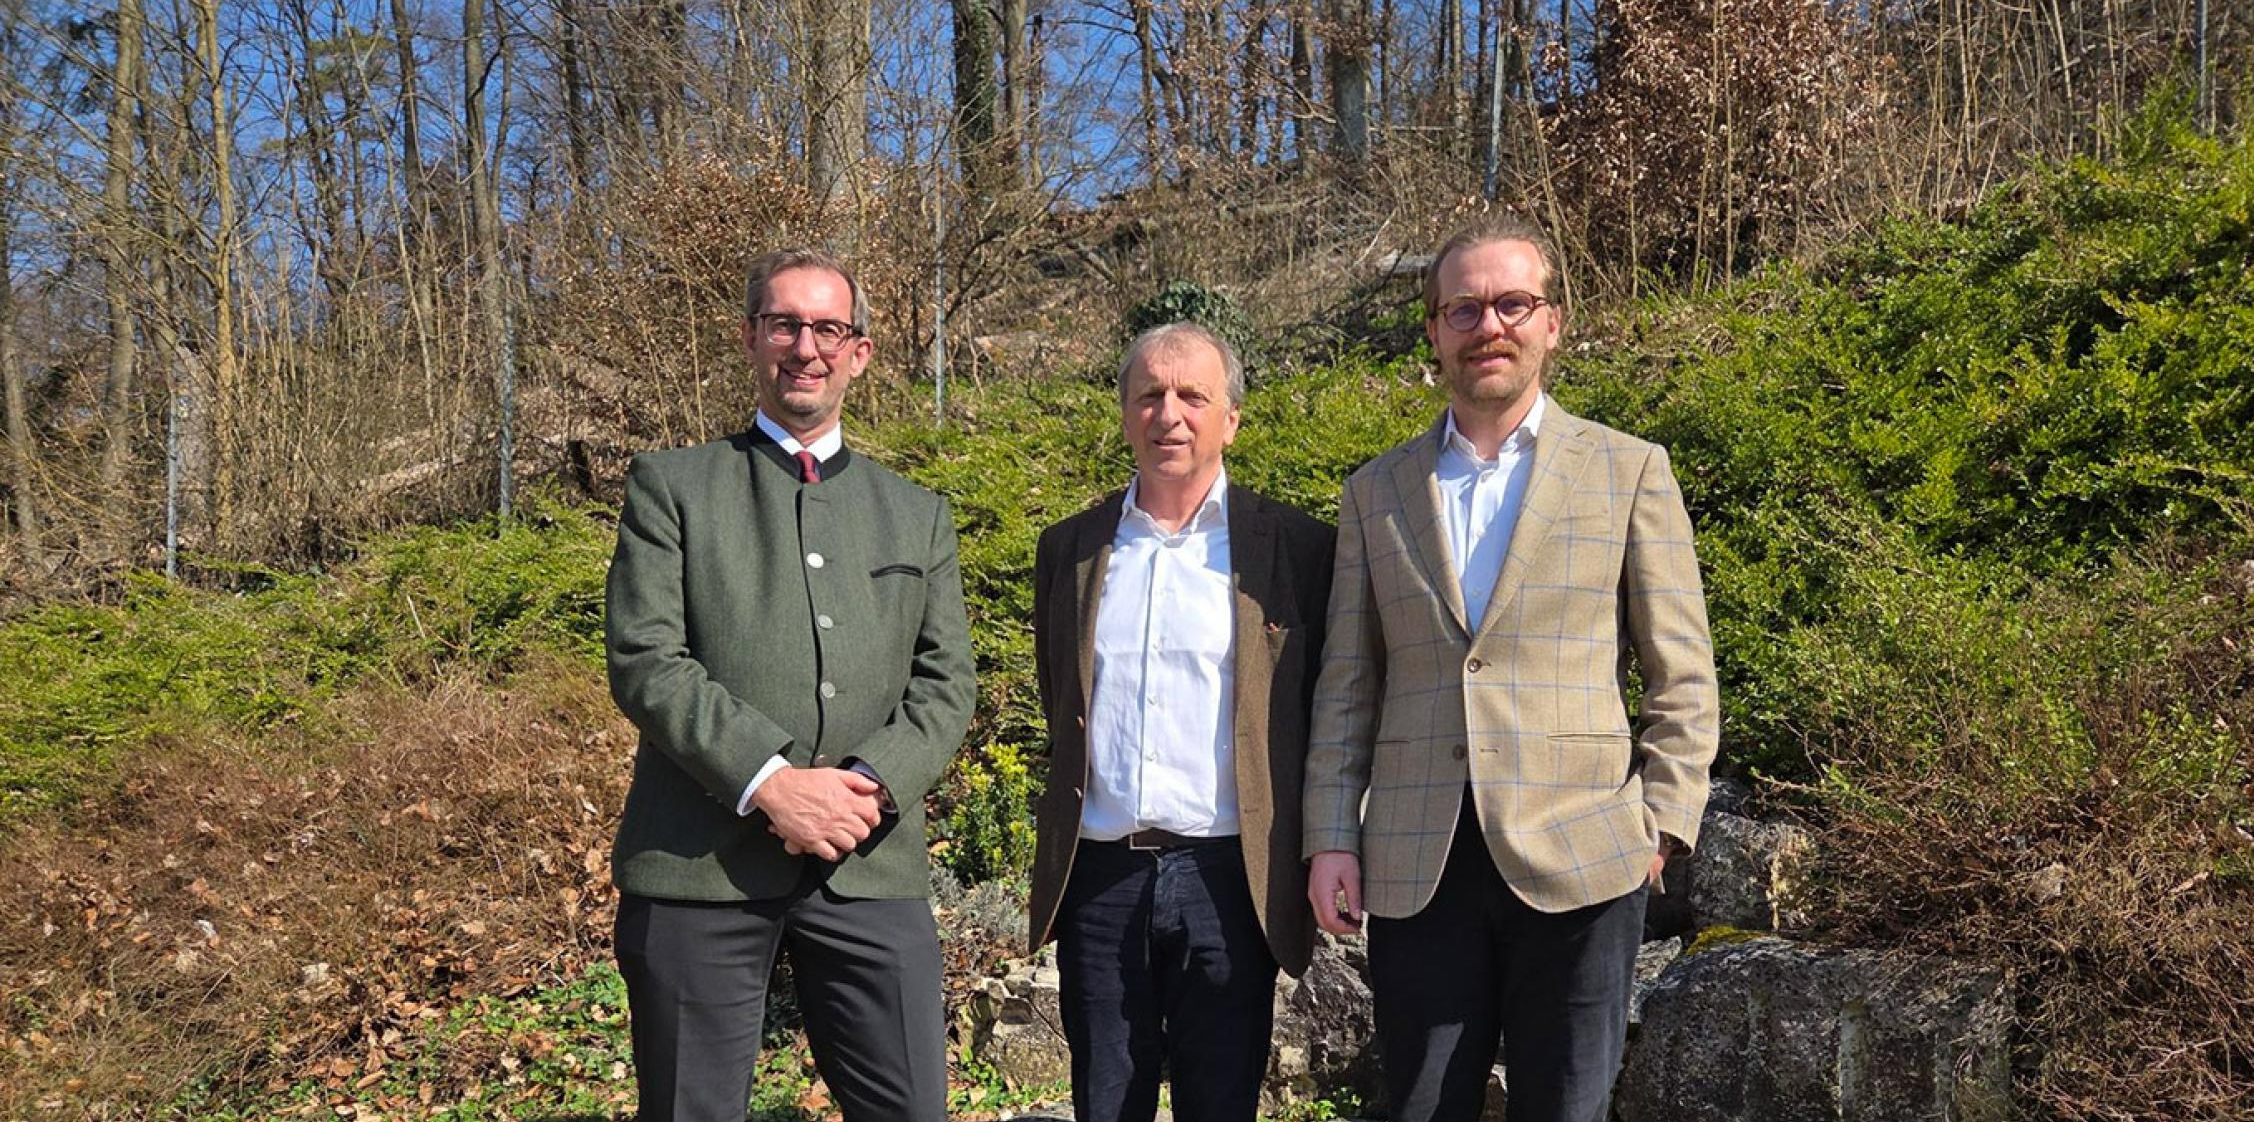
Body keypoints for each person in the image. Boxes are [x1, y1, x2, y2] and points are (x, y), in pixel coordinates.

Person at [1301, 215, 1719, 1122]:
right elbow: (1347, 685)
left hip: (1585, 854)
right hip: (1419, 860)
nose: (1489, 325)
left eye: (1512, 303)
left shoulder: (1629, 471)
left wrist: (1663, 823)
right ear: (1434, 333)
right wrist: (1331, 833)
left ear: (1553, 322)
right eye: (1464, 309)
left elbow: (1680, 670)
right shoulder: (1375, 493)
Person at [603, 247, 976, 1122]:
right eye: (785, 324)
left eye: (828, 328)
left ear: (860, 352)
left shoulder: (917, 513)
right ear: (750, 338)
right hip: (699, 867)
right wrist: (771, 783)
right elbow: (646, 659)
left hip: (869, 863)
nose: (805, 347)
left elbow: (946, 681)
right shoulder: (673, 487)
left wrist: (868, 788)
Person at [1028, 323, 1335, 1122]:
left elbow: (1326, 707)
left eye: (1193, 395)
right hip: (1100, 878)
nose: (1170, 413)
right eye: (1150, 395)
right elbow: (1059, 695)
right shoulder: (1069, 550)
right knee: (1105, 1101)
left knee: (1222, 1102)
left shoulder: (1297, 549)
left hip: (1230, 878)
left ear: (1230, 416)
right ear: (1125, 414)